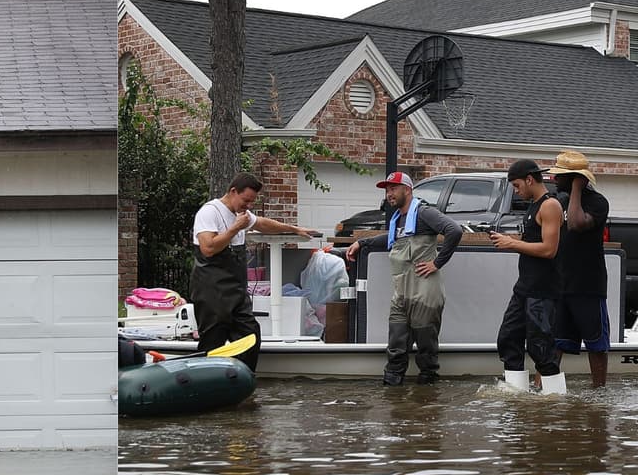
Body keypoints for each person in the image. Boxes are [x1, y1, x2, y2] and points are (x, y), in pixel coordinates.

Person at [189, 172, 320, 372]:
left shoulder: (241, 215)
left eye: (251, 202)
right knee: (212, 341)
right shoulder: (209, 212)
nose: (248, 206)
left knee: (250, 336)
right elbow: (208, 248)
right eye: (246, 200)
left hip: (236, 292)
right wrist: (235, 228)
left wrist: (294, 229)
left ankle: (242, 378)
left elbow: (263, 223)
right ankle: (205, 382)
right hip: (211, 291)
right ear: (233, 192)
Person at [344, 172, 462, 385]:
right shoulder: (398, 219)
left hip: (424, 293)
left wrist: (437, 263)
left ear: (407, 190)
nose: (389, 193)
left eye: (393, 188)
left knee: (426, 353)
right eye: (387, 189)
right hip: (401, 293)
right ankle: (393, 395)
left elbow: (454, 230)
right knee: (396, 345)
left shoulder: (424, 213)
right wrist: (362, 242)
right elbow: (391, 240)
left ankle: (427, 400)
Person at [490, 160, 566, 394]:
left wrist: (512, 243)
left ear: (529, 180)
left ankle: (556, 400)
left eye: (516, 185)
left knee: (540, 347)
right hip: (524, 288)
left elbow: (549, 249)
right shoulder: (532, 206)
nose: (516, 190)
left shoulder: (549, 205)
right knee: (508, 338)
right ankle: (516, 395)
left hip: (543, 290)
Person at [548, 150, 610, 387]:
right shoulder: (559, 201)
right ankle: (547, 391)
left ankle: (599, 393)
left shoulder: (598, 202)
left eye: (561, 176)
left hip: (588, 286)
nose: (554, 179)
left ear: (577, 178)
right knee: (555, 343)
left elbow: (575, 223)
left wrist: (576, 189)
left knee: (596, 344)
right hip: (561, 284)